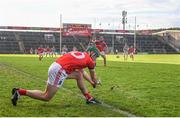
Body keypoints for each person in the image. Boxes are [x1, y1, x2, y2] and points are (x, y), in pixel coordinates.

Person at [11, 48, 101, 106]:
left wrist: (92, 82)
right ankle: (19, 92)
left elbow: (82, 72)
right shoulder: (89, 60)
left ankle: (89, 98)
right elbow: (93, 75)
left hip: (56, 66)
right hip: (59, 70)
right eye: (96, 57)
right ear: (92, 53)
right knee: (46, 96)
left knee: (78, 75)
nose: (95, 59)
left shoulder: (81, 55)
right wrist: (95, 82)